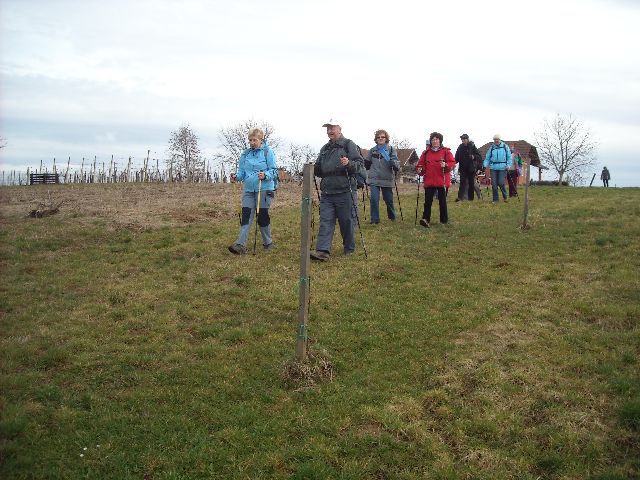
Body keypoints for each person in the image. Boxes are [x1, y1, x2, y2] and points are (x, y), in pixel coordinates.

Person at [310, 119, 364, 261]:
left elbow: (359, 164)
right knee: (325, 220)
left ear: (340, 128)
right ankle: (322, 251)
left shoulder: (349, 144)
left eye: (332, 128)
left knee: (346, 221)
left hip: (345, 190)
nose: (329, 131)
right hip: (327, 191)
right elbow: (319, 168)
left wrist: (349, 163)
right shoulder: (324, 149)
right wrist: (309, 169)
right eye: (328, 128)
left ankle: (349, 248)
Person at [228, 128, 278, 254]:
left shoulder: (268, 152)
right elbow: (242, 172)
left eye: (254, 140)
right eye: (250, 140)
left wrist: (265, 175)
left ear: (261, 139)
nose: (252, 142)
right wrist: (236, 177)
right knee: (246, 216)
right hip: (249, 189)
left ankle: (268, 243)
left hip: (265, 189)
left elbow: (274, 171)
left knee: (262, 216)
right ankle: (240, 245)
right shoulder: (245, 154)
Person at [416, 132, 456, 227]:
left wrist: (446, 165)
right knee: (427, 202)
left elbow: (452, 163)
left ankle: (444, 221)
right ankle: (425, 220)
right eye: (433, 139)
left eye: (436, 139)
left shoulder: (446, 151)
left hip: (442, 181)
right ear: (431, 141)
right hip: (429, 181)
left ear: (440, 140)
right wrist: (419, 169)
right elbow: (420, 165)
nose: (435, 141)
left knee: (442, 202)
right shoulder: (425, 153)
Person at [364, 129, 400, 224]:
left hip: (386, 179)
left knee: (388, 200)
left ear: (386, 138)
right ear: (376, 139)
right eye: (378, 137)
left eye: (382, 137)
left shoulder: (391, 149)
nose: (380, 138)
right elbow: (367, 164)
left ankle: (392, 216)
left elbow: (397, 164)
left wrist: (393, 162)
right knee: (374, 200)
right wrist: (364, 162)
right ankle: (375, 220)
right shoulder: (372, 150)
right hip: (374, 179)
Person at [483, 133, 512, 203]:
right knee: (494, 184)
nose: (496, 141)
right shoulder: (492, 147)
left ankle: (505, 197)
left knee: (501, 183)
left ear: (500, 139)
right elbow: (487, 158)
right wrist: (485, 165)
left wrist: (508, 165)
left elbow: (509, 157)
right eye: (495, 139)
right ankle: (495, 200)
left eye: (497, 139)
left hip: (503, 167)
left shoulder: (505, 146)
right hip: (493, 167)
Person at [454, 133, 481, 201]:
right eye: (462, 139)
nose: (463, 140)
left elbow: (479, 156)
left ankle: (470, 198)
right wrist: (453, 163)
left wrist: (474, 157)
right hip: (463, 168)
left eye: (464, 139)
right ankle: (460, 198)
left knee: (471, 184)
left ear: (467, 139)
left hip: (471, 168)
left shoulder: (472, 146)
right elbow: (456, 157)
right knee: (462, 183)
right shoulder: (460, 147)